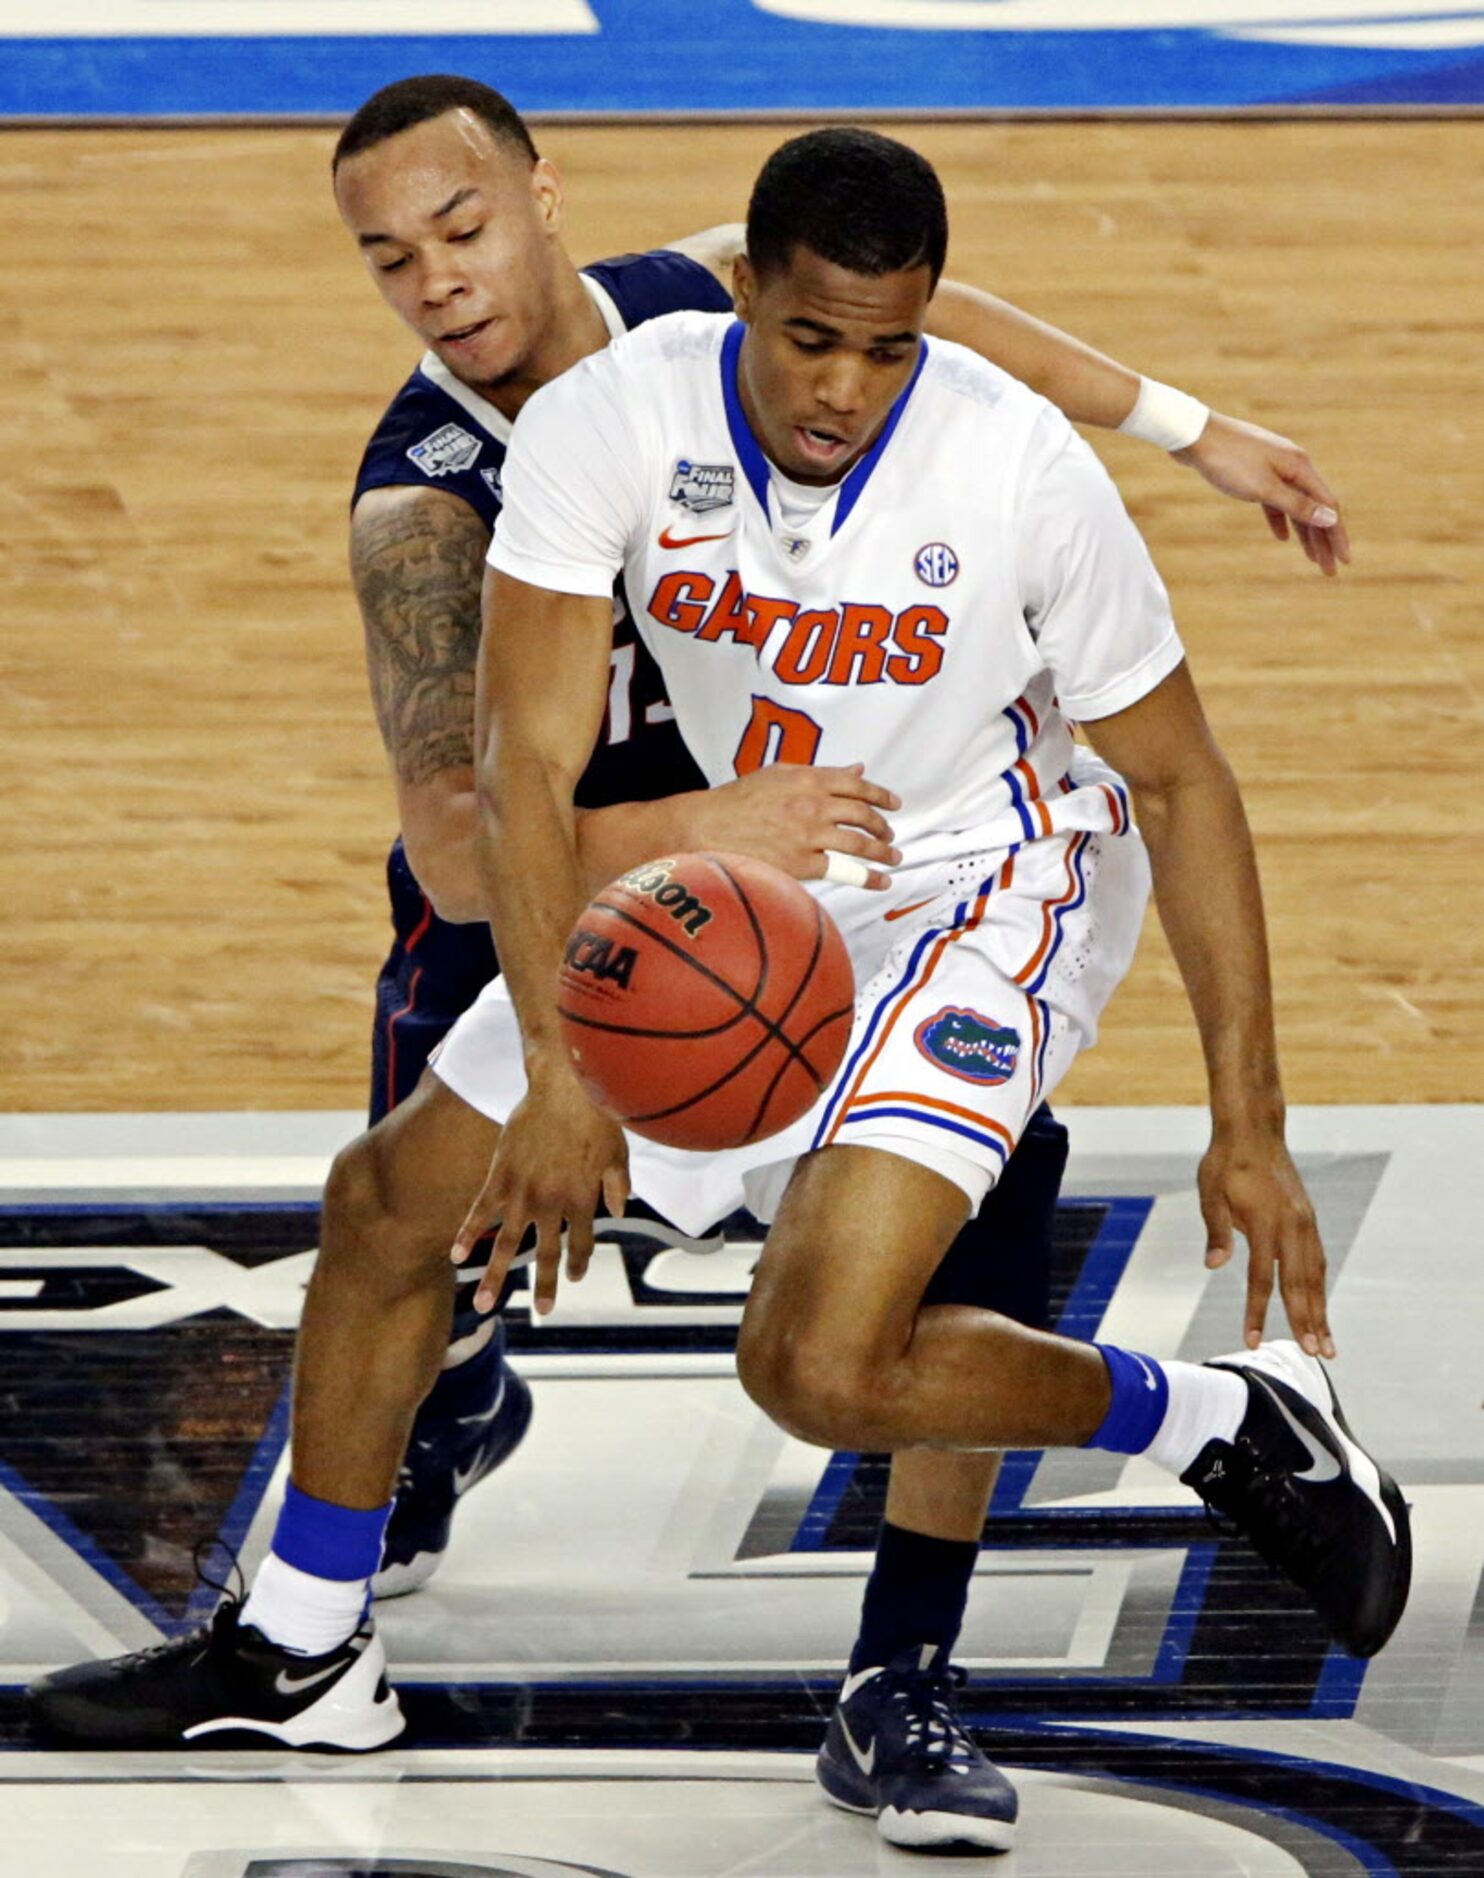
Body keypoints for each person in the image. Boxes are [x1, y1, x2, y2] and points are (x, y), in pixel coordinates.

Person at [26, 92, 1369, 1862]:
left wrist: (1247, 1123)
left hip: (978, 881)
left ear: (548, 205)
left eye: (880, 349)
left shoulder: (1012, 466)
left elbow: (1187, 782)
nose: (838, 389)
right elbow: (504, 785)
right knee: (382, 1202)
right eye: (807, 341)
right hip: (723, 877)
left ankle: (1196, 1428)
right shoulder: (544, 447)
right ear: (747, 309)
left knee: (821, 1360)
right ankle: (299, 1643)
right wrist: (572, 1077)